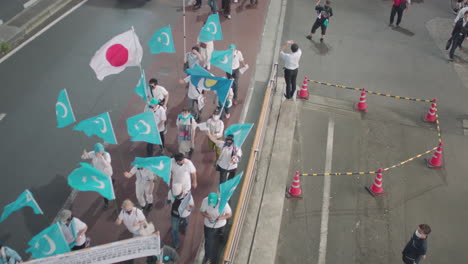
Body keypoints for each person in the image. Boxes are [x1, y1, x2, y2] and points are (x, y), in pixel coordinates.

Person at [200, 193, 232, 264]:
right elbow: (202, 211)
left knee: (221, 234)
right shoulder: (205, 201)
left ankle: (223, 240)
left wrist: (221, 218)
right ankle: (208, 258)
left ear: (217, 200)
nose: (212, 205)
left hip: (221, 224)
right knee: (208, 242)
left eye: (213, 204)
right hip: (209, 225)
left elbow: (229, 214)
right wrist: (207, 216)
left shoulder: (224, 204)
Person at [81, 143, 114, 209]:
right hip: (98, 174)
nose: (99, 153)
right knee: (105, 187)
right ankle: (112, 182)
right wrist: (84, 155)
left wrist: (102, 158)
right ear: (95, 151)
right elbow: (84, 157)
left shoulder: (106, 155)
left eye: (101, 151)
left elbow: (107, 165)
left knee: (104, 189)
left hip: (106, 174)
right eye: (98, 152)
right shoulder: (93, 153)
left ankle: (106, 202)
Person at [166, 183, 194, 249]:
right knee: (174, 230)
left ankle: (183, 228)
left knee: (185, 223)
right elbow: (168, 200)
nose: (176, 197)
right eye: (175, 196)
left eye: (178, 196)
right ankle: (176, 243)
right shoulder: (170, 192)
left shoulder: (188, 195)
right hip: (175, 213)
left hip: (185, 214)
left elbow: (192, 208)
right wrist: (167, 203)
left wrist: (187, 205)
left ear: (182, 192)